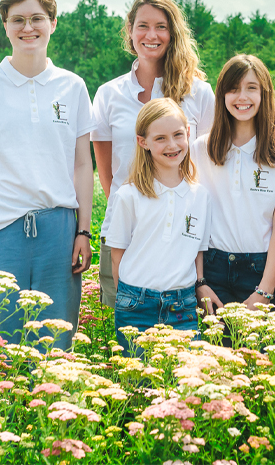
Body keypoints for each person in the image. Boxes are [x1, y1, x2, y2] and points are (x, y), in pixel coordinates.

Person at [0, 0, 95, 351]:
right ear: (5, 26)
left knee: (54, 344)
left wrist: (84, 232)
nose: (28, 28)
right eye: (18, 20)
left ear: (53, 23)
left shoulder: (73, 87)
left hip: (58, 231)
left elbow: (81, 165)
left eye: (37, 18)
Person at [92, 0, 215, 308]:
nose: (151, 35)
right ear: (129, 30)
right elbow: (107, 174)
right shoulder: (108, 95)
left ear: (172, 33)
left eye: (160, 26)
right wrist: (134, 215)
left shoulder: (198, 94)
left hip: (183, 242)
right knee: (123, 343)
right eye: (142, 26)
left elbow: (207, 167)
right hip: (124, 236)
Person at [107, 98, 210, 356]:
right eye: (160, 138)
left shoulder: (200, 196)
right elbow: (117, 256)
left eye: (177, 135)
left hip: (182, 306)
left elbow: (197, 250)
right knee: (139, 383)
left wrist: (200, 284)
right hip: (136, 306)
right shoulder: (128, 196)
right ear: (143, 142)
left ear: (188, 134)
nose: (172, 145)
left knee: (183, 385)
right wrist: (127, 300)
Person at [191, 55, 275, 314]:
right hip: (212, 271)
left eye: (251, 88)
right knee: (212, 353)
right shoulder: (201, 149)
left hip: (261, 272)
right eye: (233, 89)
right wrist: (199, 282)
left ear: (264, 94)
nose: (242, 97)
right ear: (222, 95)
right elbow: (194, 218)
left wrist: (266, 289)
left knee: (261, 354)